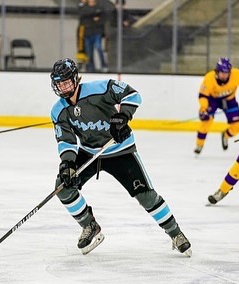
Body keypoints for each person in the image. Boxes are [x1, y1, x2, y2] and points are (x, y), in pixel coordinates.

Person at [49, 58, 191, 256]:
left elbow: (132, 95)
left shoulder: (100, 88)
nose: (63, 87)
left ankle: (175, 233)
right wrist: (67, 163)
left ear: (75, 79)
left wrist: (122, 117)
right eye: (59, 83)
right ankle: (90, 226)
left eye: (66, 82)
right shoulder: (58, 111)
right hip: (90, 152)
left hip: (120, 150)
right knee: (63, 188)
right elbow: (66, 141)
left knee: (146, 196)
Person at [194, 57, 239, 155]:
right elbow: (203, 95)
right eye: (222, 73)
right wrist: (203, 108)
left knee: (237, 126)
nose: (224, 75)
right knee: (206, 120)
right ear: (217, 72)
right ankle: (199, 144)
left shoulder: (236, 75)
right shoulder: (209, 78)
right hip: (212, 100)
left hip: (229, 100)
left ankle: (225, 135)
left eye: (227, 72)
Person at [79, 0, 108, 72]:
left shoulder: (99, 7)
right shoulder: (84, 8)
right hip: (88, 32)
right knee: (89, 52)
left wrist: (91, 18)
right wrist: (92, 17)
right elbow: (82, 19)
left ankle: (103, 65)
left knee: (99, 48)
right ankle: (91, 67)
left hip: (97, 32)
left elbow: (102, 18)